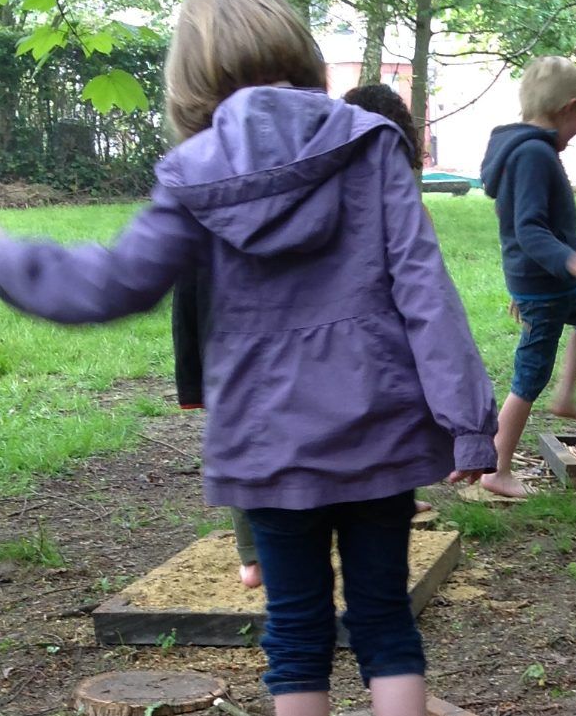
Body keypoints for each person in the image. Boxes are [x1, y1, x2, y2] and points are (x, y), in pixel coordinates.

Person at [0, 0, 499, 716]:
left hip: (269, 443)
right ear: (299, 52)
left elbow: (116, 281)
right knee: (384, 614)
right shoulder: (369, 144)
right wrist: (468, 423)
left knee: (294, 627)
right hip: (379, 430)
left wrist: (6, 258)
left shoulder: (194, 173)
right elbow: (425, 291)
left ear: (189, 78)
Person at [170, 82, 429, 590]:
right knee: (252, 433)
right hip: (237, 343)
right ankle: (255, 554)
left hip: (273, 348)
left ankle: (335, 515)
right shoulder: (226, 171)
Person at [478, 56, 576, 500]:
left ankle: (566, 396)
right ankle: (496, 468)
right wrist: (567, 262)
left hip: (545, 284)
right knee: (529, 376)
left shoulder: (526, 149)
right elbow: (528, 226)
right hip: (547, 284)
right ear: (569, 107)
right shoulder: (534, 153)